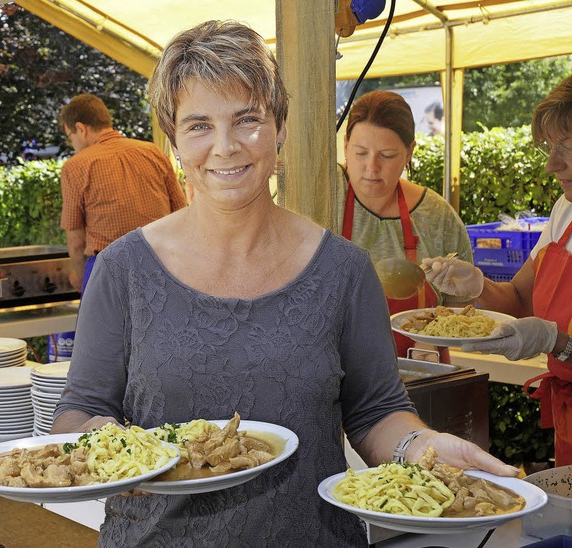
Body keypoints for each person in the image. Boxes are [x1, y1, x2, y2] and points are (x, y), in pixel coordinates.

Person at [52, 20, 517, 547]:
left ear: (280, 129)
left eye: (247, 119)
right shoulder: (123, 270)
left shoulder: (342, 270)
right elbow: (79, 409)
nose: (225, 147)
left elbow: (375, 411)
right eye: (199, 125)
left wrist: (425, 446)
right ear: (174, 138)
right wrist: (101, 446)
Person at [423, 75, 572, 466]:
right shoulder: (564, 212)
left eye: (567, 148)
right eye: (550, 148)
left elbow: (552, 336)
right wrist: (478, 285)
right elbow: (520, 298)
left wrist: (557, 342)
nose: (551, 165)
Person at [336, 90, 474, 360]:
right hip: (336, 382)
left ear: (409, 151)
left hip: (418, 374)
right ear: (345, 145)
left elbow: (462, 310)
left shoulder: (437, 217)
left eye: (387, 155)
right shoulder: (323, 196)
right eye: (360, 153)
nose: (371, 167)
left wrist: (434, 336)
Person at [58, 93, 187, 293]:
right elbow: (182, 213)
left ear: (81, 129)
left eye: (70, 136)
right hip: (161, 264)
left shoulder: (76, 167)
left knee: (102, 325)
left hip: (108, 269)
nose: (72, 144)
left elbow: (76, 241)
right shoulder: (153, 152)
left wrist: (78, 274)